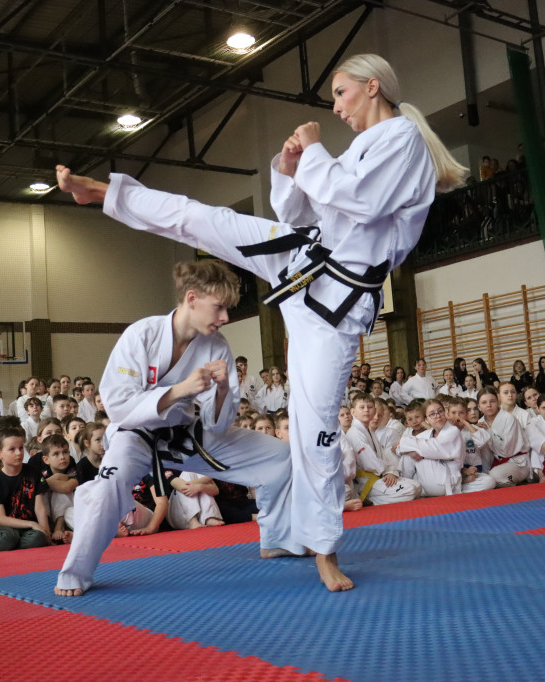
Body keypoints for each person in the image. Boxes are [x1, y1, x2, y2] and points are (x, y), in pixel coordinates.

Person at [55, 53, 465, 591]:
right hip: (303, 258)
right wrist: (292, 171)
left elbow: (360, 201)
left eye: (340, 93)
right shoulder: (365, 149)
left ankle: (323, 548)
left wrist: (314, 150)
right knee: (206, 219)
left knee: (315, 429)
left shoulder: (402, 139)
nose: (336, 106)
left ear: (371, 88)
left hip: (333, 306)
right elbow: (298, 216)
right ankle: (108, 193)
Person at [55, 261, 304, 596]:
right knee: (106, 488)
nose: (225, 318)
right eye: (219, 308)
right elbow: (116, 404)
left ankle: (278, 538)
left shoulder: (217, 346)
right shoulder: (142, 335)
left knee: (280, 456)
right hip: (136, 434)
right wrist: (180, 390)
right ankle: (77, 573)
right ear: (191, 299)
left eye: (228, 310)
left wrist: (221, 392)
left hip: (185, 434)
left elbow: (218, 425)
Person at [0, 425, 52, 550]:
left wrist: (46, 533)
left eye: (21, 448)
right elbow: (1, 519)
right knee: (7, 539)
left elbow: (39, 507)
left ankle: (16, 546)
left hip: (29, 530)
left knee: (38, 538)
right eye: (12, 449)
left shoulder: (33, 472)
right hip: (6, 528)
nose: (18, 453)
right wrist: (31, 524)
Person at [347, 394, 422, 504]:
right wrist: (387, 471)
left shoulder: (369, 431)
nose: (367, 410)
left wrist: (391, 472)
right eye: (362, 407)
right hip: (366, 481)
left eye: (370, 407)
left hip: (379, 475)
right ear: (353, 412)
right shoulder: (355, 433)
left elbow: (383, 455)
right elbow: (370, 463)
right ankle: (371, 501)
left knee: (417, 486)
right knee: (409, 490)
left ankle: (380, 498)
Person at [398, 399, 463, 497]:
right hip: (424, 486)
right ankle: (405, 486)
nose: (437, 415)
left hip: (447, 485)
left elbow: (435, 448)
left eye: (440, 411)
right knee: (409, 454)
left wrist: (404, 442)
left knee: (415, 450)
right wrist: (409, 451)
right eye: (432, 414)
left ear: (445, 413)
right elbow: (398, 449)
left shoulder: (453, 431)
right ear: (426, 420)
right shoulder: (424, 436)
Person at [475, 387, 529, 488]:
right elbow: (485, 453)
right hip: (497, 465)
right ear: (479, 407)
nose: (489, 405)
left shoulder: (508, 419)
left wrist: (488, 432)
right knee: (486, 478)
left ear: (498, 402)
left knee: (495, 476)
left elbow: (506, 451)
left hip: (517, 462)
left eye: (492, 401)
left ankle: (515, 486)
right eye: (484, 402)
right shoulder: (480, 422)